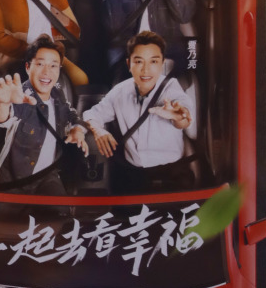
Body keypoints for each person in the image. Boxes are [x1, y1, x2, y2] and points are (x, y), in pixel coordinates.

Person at [80, 31, 197, 192]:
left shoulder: (171, 88)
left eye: (153, 61)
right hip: (133, 175)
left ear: (162, 63)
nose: (146, 70)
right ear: (129, 64)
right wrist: (98, 129)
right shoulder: (120, 91)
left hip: (172, 173)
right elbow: (92, 114)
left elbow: (183, 114)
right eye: (139, 61)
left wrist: (178, 116)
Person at [0, 37, 89, 193]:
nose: (47, 72)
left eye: (53, 66)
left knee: (62, 208)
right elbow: (0, 117)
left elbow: (71, 113)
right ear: (28, 67)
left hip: (48, 177)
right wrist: (3, 103)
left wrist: (77, 129)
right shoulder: (21, 96)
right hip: (14, 180)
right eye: (40, 64)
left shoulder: (58, 94)